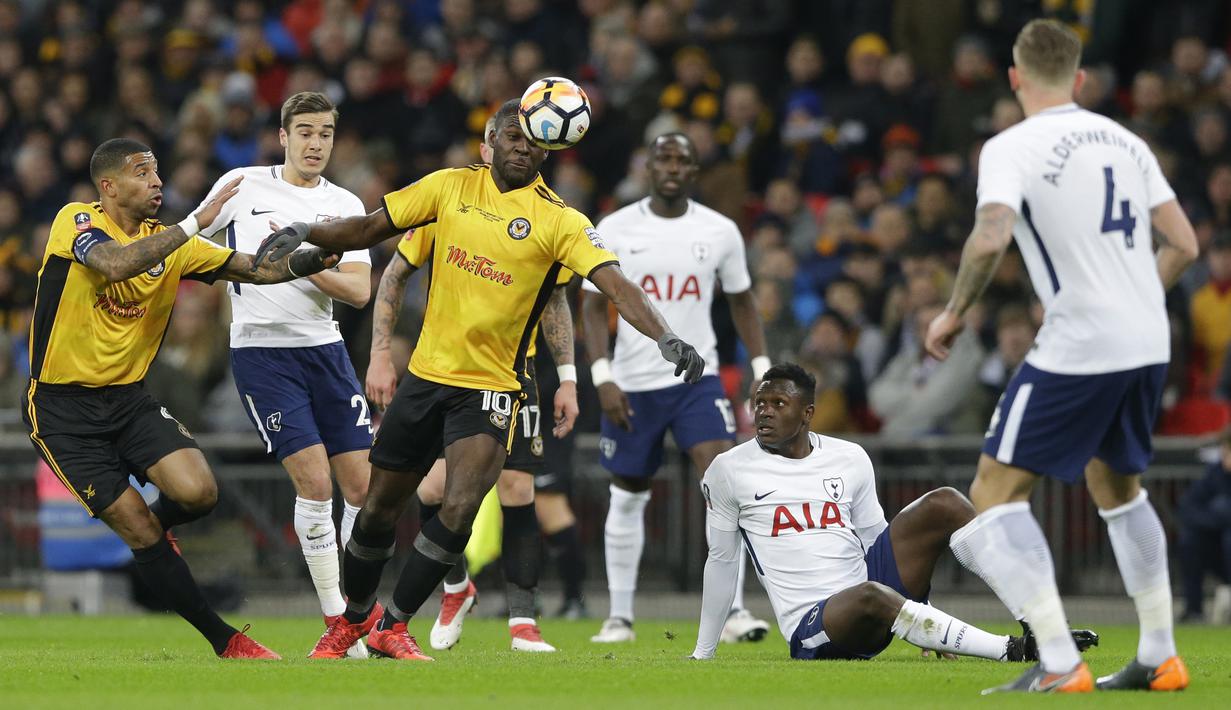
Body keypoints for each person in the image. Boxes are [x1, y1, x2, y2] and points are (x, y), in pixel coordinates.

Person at [254, 98, 705, 661]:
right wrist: (306, 229)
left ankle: (396, 625)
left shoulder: (562, 221)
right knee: (376, 513)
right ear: (489, 143)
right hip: (425, 377)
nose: (523, 147)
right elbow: (371, 228)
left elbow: (616, 285)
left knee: (461, 505)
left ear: (549, 146)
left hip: (493, 386)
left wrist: (665, 336)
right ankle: (352, 621)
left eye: (533, 140)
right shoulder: (448, 188)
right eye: (512, 137)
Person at [924, 20, 1200, 693]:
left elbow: (990, 238)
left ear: (1014, 78)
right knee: (1118, 487)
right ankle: (1159, 654)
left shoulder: (1011, 145)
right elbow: (1184, 244)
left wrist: (953, 311)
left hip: (1081, 340)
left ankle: (1056, 660)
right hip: (1146, 338)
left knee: (992, 491)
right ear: (1077, 80)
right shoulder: (1125, 140)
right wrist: (1131, 296)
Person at [23, 137, 341, 658]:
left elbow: (256, 268)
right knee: (139, 530)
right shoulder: (75, 220)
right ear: (108, 186)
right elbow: (115, 265)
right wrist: (195, 221)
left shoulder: (172, 244)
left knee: (199, 493)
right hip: (60, 410)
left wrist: (312, 258)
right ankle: (224, 638)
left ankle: (154, 533)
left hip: (127, 400)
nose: (157, 182)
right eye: (142, 173)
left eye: (157, 172)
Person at [690, 364, 1097, 663]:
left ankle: (1039, 624)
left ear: (808, 413)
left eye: (779, 403)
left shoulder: (849, 457)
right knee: (870, 595)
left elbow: (876, 541)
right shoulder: (729, 470)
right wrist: (703, 653)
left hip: (873, 593)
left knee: (946, 502)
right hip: (818, 625)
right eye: (759, 403)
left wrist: (926, 620)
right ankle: (1013, 651)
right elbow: (723, 561)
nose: (764, 412)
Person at [195, 91, 375, 657]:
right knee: (316, 485)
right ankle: (337, 624)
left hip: (327, 351)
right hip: (262, 353)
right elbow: (192, 242)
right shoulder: (242, 185)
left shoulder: (345, 203)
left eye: (325, 133)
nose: (315, 143)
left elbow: (359, 289)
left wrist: (307, 261)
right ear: (283, 135)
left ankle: (359, 618)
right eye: (305, 132)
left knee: (362, 488)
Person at [582, 132, 771, 644]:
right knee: (628, 495)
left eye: (681, 159)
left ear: (694, 170)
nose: (671, 166)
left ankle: (732, 611)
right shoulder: (615, 227)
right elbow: (594, 304)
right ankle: (619, 615)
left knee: (722, 485)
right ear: (647, 166)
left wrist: (761, 365)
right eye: (662, 157)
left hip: (697, 379)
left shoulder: (720, 231)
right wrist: (602, 376)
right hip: (633, 384)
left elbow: (742, 302)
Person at [1177, 429, 1231, 623]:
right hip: (1220, 550)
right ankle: (1193, 610)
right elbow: (1188, 508)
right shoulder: (1215, 473)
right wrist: (1220, 518)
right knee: (1190, 540)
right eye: (1226, 451)